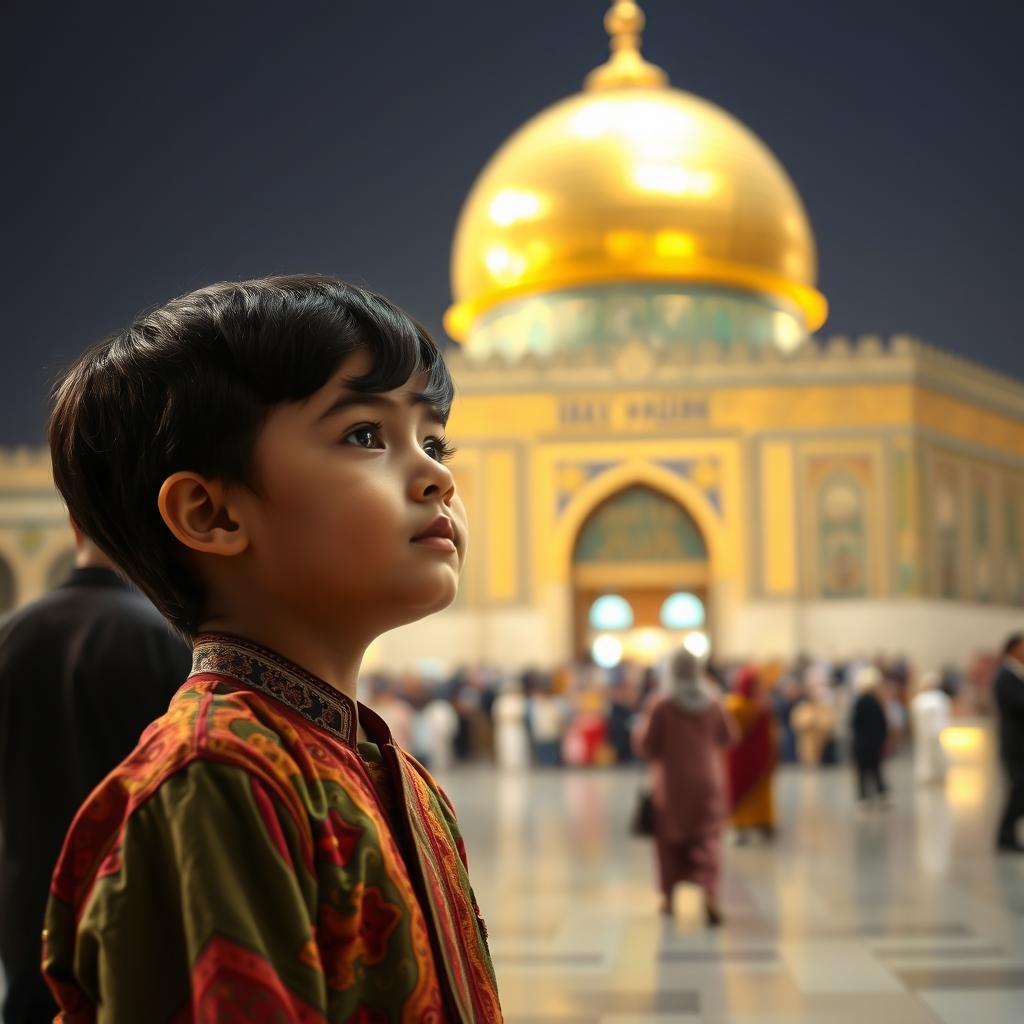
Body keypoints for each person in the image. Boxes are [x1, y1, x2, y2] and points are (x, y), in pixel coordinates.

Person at [40, 276, 501, 1021]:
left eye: (434, 440)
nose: (437, 475)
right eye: (364, 436)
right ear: (212, 512)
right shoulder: (219, 780)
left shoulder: (386, 769)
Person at [0, 524, 190, 1024]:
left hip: (29, 920)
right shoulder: (173, 641)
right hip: (139, 923)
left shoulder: (10, 636)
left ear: (74, 529)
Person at [633, 647, 736, 926]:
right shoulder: (713, 701)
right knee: (708, 839)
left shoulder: (661, 704)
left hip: (671, 784)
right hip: (707, 782)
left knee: (669, 842)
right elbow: (729, 736)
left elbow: (646, 745)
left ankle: (669, 897)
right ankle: (709, 894)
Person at [723, 666, 777, 842]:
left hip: (761, 758)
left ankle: (763, 822)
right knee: (740, 792)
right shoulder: (736, 705)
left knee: (760, 793)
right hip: (740, 759)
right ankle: (740, 825)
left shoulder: (762, 705)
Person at [993, 633, 1024, 853]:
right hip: (1014, 743)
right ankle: (1005, 834)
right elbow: (1018, 704)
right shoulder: (1005, 675)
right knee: (1019, 789)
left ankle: (1008, 835)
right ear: (1013, 649)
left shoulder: (1015, 674)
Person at [850, 665, 890, 807]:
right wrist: (882, 739)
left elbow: (854, 723)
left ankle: (864, 797)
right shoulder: (874, 702)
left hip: (862, 742)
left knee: (864, 771)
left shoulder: (860, 702)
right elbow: (882, 724)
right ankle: (879, 795)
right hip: (872, 743)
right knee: (875, 770)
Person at [910, 671, 951, 785]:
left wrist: (942, 728)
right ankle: (927, 775)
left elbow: (944, 715)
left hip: (937, 732)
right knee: (926, 754)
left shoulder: (940, 698)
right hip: (925, 733)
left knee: (938, 753)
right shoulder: (920, 699)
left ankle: (940, 773)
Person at [791, 667, 837, 767]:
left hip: (821, 742)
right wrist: (809, 722)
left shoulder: (825, 708)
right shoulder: (803, 707)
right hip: (806, 741)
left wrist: (818, 723)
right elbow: (798, 722)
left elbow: (828, 723)